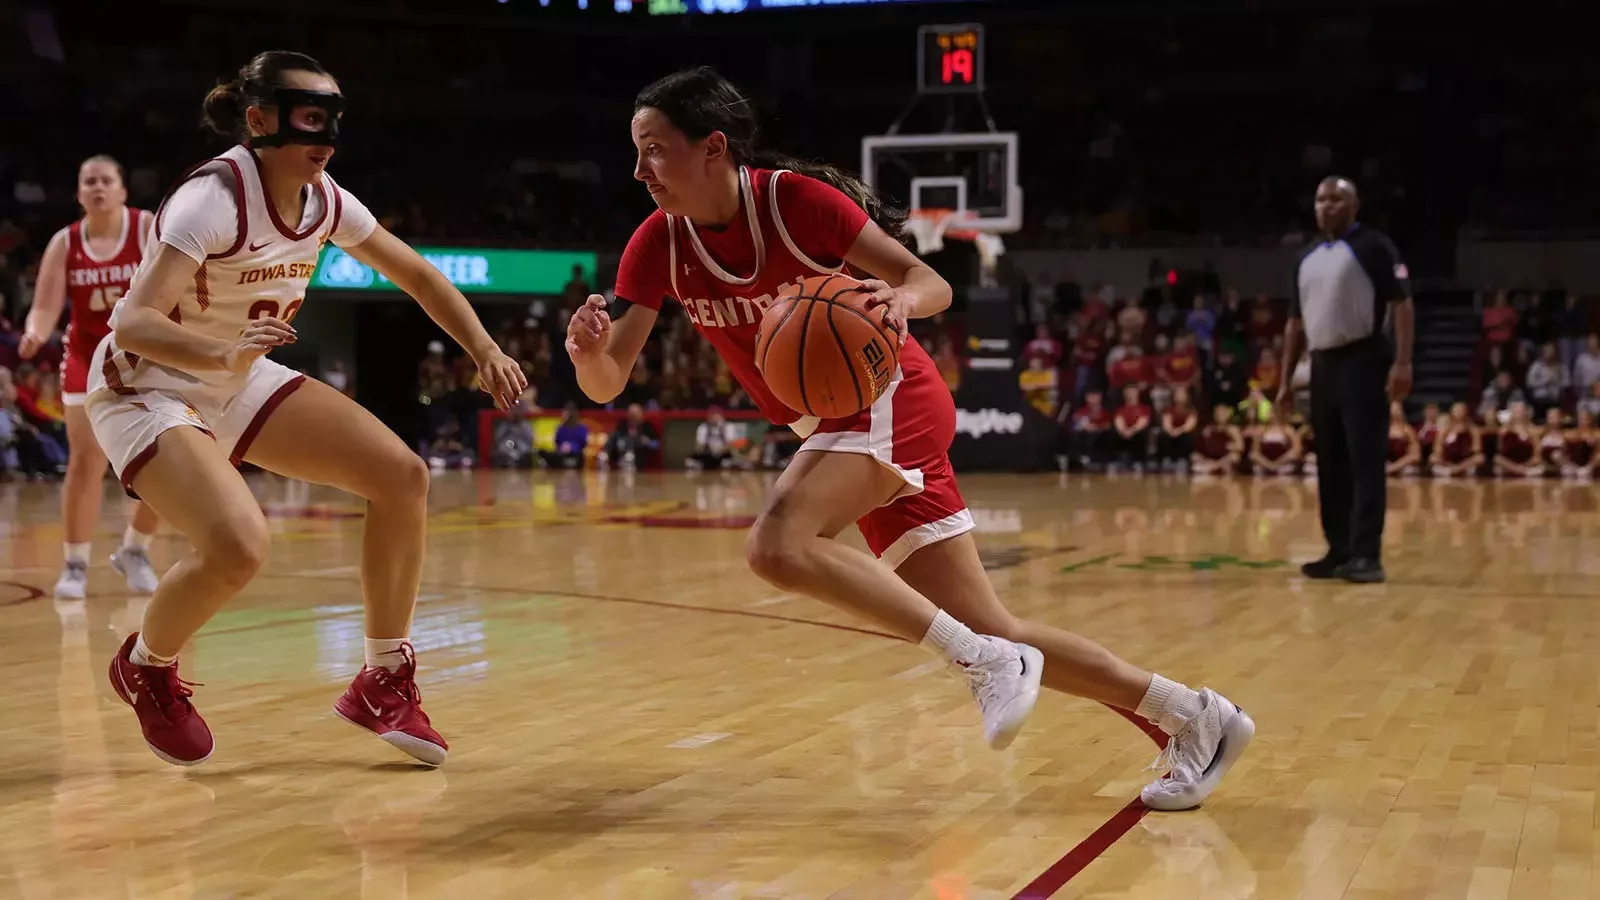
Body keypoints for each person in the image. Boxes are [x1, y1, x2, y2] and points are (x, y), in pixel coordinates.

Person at [566, 67, 1252, 811]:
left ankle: (984, 665)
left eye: (655, 150)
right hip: (837, 424)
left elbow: (931, 281)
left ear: (713, 149)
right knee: (995, 625)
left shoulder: (793, 203)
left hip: (892, 393)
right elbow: (609, 383)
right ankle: (1196, 717)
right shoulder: (656, 245)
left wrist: (897, 298)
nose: (639, 171)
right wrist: (588, 355)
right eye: (637, 153)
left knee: (777, 545)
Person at [86, 51, 526, 767]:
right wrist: (222, 355)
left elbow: (414, 271)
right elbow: (132, 323)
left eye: (331, 119)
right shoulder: (214, 199)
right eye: (307, 118)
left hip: (234, 373)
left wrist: (482, 347)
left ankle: (383, 678)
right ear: (260, 120)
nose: (324, 136)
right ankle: (146, 667)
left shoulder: (326, 197)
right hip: (148, 386)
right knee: (237, 545)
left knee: (401, 476)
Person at [18, 155, 163, 599]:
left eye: (106, 180)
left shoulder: (146, 228)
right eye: (89, 182)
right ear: (80, 193)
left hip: (145, 353)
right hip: (86, 356)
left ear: (122, 190)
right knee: (85, 461)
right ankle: (75, 564)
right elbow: (45, 305)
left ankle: (135, 550)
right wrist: (34, 331)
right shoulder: (66, 242)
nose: (98, 187)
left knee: (162, 461)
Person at [1278, 176, 1414, 584]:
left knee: (1364, 459)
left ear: (1355, 205)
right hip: (1322, 364)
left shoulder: (1374, 246)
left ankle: (1366, 555)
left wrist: (1403, 362)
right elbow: (1293, 322)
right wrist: (1285, 380)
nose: (1327, 206)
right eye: (1321, 199)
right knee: (1331, 461)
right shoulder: (1307, 256)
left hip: (1364, 358)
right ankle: (1337, 549)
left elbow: (1402, 303)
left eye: (1336, 199)